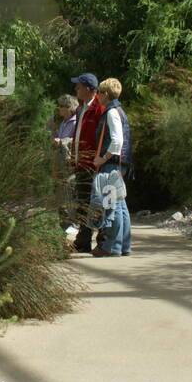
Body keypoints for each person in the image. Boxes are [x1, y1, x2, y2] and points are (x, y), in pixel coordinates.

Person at [91, 78, 132, 257]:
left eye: (99, 92)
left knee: (110, 205)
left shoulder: (111, 112)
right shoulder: (119, 111)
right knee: (120, 204)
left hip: (111, 165)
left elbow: (116, 141)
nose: (97, 96)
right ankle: (123, 246)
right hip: (120, 164)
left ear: (105, 94)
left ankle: (110, 247)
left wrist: (102, 159)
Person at [68, 74, 106, 254]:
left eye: (79, 86)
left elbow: (103, 137)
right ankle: (82, 241)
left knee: (97, 204)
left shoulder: (100, 108)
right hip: (81, 163)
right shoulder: (80, 108)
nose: (76, 89)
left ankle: (102, 241)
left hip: (94, 164)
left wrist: (100, 159)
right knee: (82, 203)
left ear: (89, 89)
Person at [48, 94, 78, 229]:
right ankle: (64, 225)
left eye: (61, 106)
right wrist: (53, 130)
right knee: (60, 196)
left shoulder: (75, 123)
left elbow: (74, 143)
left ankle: (70, 225)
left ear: (69, 108)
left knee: (67, 195)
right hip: (59, 165)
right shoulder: (64, 123)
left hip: (68, 167)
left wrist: (61, 142)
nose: (58, 109)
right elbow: (57, 141)